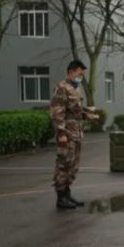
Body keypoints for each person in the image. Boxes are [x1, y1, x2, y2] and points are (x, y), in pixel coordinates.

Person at [50, 60, 99, 209]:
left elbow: (75, 110)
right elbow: (57, 112)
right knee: (64, 164)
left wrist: (87, 115)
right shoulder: (62, 88)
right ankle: (60, 198)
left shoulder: (74, 88)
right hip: (67, 134)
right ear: (71, 72)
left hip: (76, 133)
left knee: (73, 165)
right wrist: (61, 133)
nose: (81, 77)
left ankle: (67, 194)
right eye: (79, 74)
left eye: (82, 74)